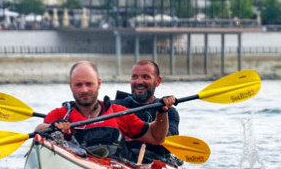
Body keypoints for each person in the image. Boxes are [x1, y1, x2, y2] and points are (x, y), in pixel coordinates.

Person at [35, 61, 175, 154]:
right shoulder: (62, 114)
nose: (84, 90)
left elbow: (156, 137)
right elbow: (38, 131)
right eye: (79, 85)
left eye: (89, 84)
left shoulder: (117, 113)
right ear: (71, 86)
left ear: (99, 84)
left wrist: (162, 111)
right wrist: (52, 128)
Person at [114, 60, 180, 163]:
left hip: (154, 161)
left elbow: (165, 137)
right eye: (135, 77)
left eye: (146, 77)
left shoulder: (169, 113)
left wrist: (162, 111)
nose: (139, 82)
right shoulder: (114, 106)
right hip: (118, 159)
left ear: (157, 81)